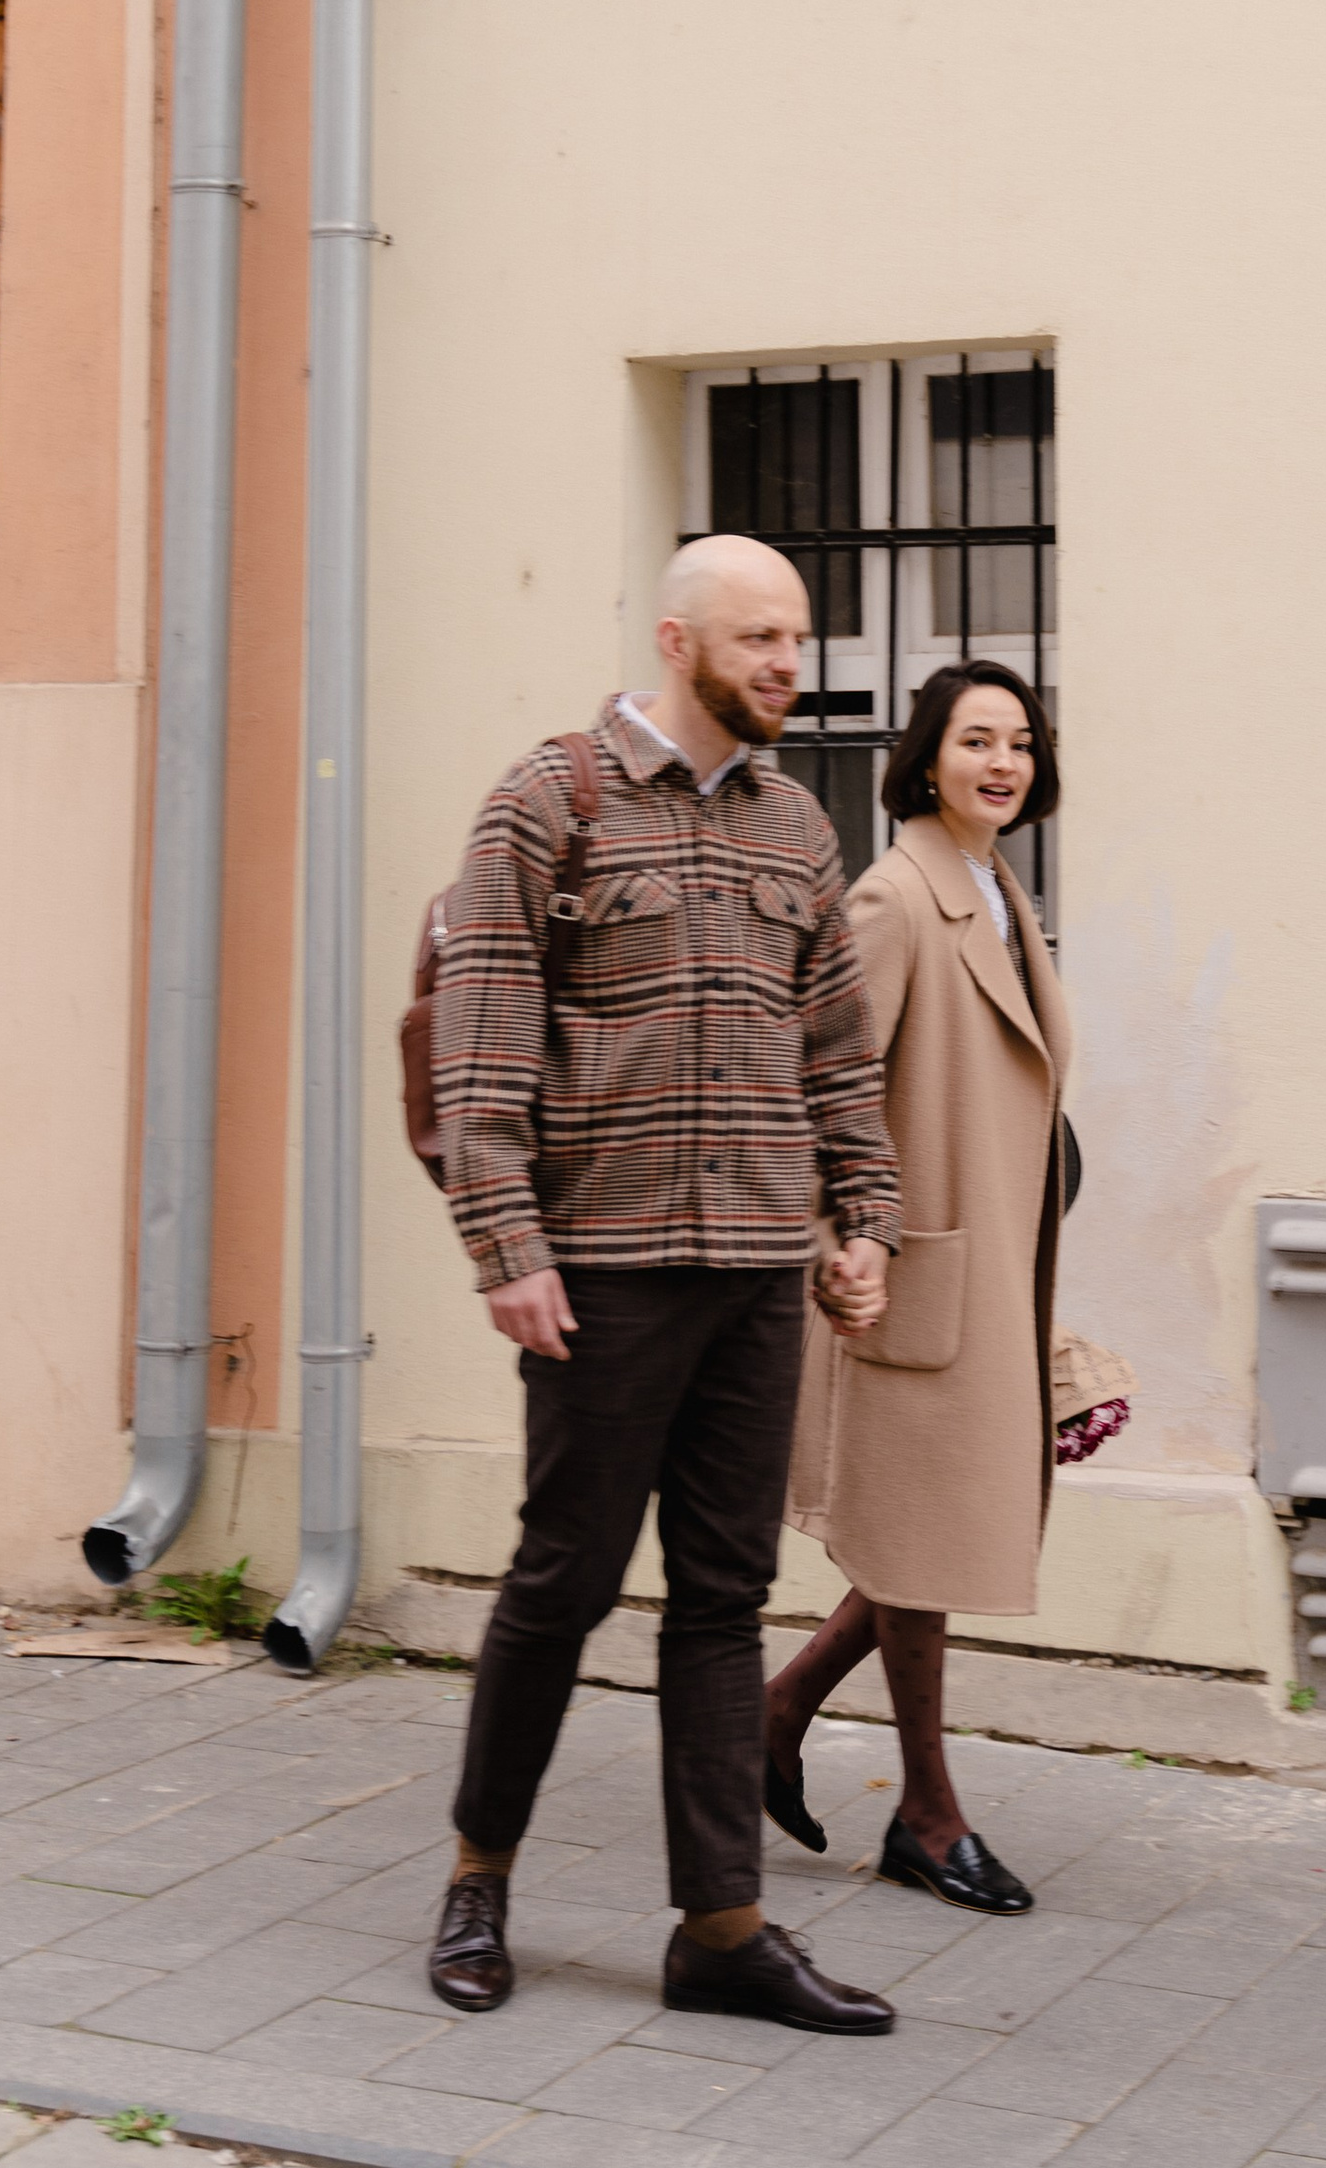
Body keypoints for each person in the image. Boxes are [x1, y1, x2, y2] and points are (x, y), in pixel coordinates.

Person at [424, 533, 903, 2035]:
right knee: (560, 1585)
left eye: (798, 639)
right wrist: (505, 1247)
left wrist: (863, 1217)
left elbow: (835, 1052)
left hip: (760, 1269)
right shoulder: (546, 803)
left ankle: (724, 1929)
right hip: (605, 1271)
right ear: (678, 642)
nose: (787, 664)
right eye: (758, 639)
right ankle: (477, 1877)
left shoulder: (796, 831)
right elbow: (483, 1041)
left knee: (725, 1599)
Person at [765, 659, 1072, 1915]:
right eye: (975, 740)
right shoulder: (897, 897)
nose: (1001, 761)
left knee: (928, 1537)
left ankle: (774, 1715)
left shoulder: (996, 889)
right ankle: (928, 1814)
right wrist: (852, 1245)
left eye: (1019, 742)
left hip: (992, 1263)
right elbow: (817, 1082)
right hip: (909, 1275)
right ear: (925, 760)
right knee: (923, 1539)